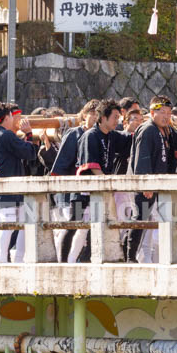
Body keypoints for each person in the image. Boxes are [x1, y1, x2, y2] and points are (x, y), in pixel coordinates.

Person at [126, 95, 177, 263]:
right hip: (145, 184)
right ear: (152, 113)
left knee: (149, 222)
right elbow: (142, 158)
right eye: (162, 112)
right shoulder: (148, 129)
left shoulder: (167, 130)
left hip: (158, 184)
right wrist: (146, 184)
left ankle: (141, 256)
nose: (166, 116)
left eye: (168, 113)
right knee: (140, 219)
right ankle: (129, 256)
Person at [0, 102, 37, 263]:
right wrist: (28, 134)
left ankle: (4, 258)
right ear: (7, 117)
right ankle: (3, 260)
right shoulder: (6, 135)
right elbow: (30, 152)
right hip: (7, 187)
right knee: (8, 224)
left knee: (16, 223)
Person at [72, 100, 123, 262]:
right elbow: (92, 166)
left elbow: (129, 140)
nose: (117, 121)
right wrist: (106, 184)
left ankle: (91, 260)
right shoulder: (90, 136)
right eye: (115, 117)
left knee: (98, 228)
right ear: (103, 118)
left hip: (101, 192)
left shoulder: (112, 136)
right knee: (80, 230)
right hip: (84, 193)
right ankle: (70, 261)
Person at [50, 100, 100, 263]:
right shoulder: (74, 133)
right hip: (71, 192)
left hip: (91, 192)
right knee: (72, 227)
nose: (95, 117)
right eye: (92, 113)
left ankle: (72, 261)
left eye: (98, 114)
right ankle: (62, 261)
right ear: (84, 115)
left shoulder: (99, 135)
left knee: (83, 231)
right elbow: (62, 162)